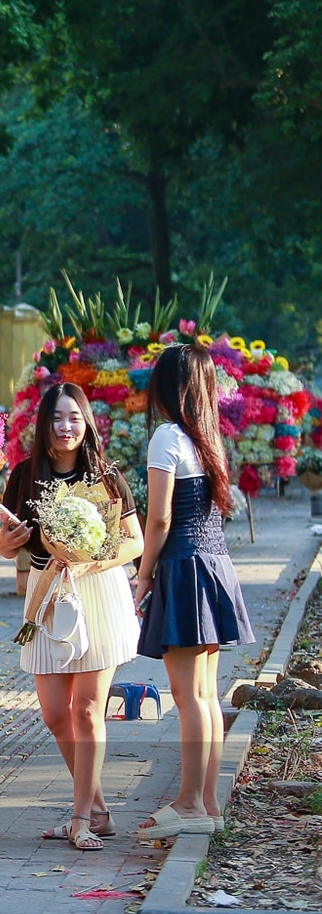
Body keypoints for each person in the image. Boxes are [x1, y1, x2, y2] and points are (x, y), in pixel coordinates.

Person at [0, 381, 145, 851]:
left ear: (86, 421)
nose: (66, 426)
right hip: (46, 592)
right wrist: (3, 544)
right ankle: (98, 811)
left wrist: (96, 560)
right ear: (44, 425)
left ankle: (79, 819)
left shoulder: (105, 476)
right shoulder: (25, 474)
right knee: (57, 714)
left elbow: (134, 541)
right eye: (57, 418)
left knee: (87, 711)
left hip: (96, 591)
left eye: (74, 417)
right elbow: (6, 539)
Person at [133, 343, 254, 842]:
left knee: (188, 698)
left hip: (184, 568)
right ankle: (205, 803)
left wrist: (142, 576)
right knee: (204, 695)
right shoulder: (207, 439)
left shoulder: (166, 436)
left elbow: (159, 519)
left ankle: (189, 802)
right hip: (214, 564)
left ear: (166, 386)